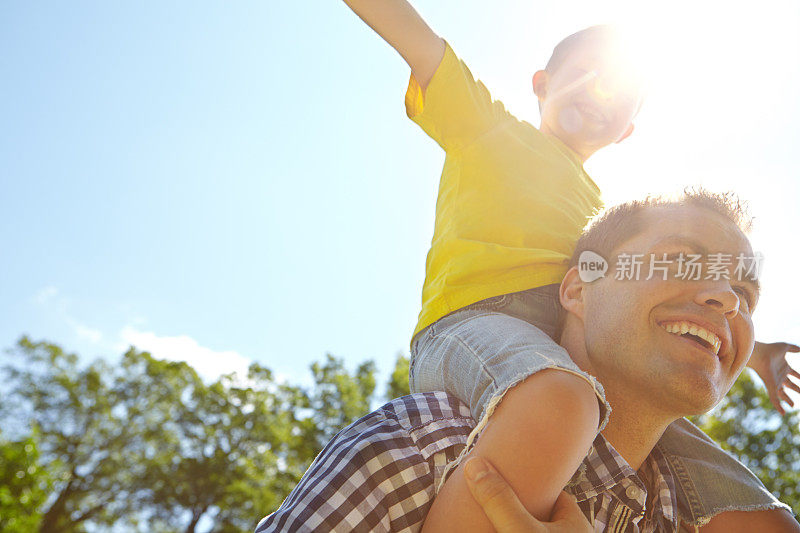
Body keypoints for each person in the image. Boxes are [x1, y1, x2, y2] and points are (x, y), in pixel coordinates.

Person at [338, 0, 800, 525]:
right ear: (541, 83)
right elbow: (422, 45)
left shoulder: (608, 216)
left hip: (580, 347)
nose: (601, 92)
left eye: (621, 93)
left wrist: (755, 351)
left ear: (627, 131)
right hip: (476, 321)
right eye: (585, 73)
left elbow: (656, 287)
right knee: (561, 401)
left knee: (763, 519)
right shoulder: (489, 128)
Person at [255, 192, 798, 532]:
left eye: (744, 295)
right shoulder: (425, 448)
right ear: (577, 290)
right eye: (681, 260)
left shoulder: (703, 518)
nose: (727, 298)